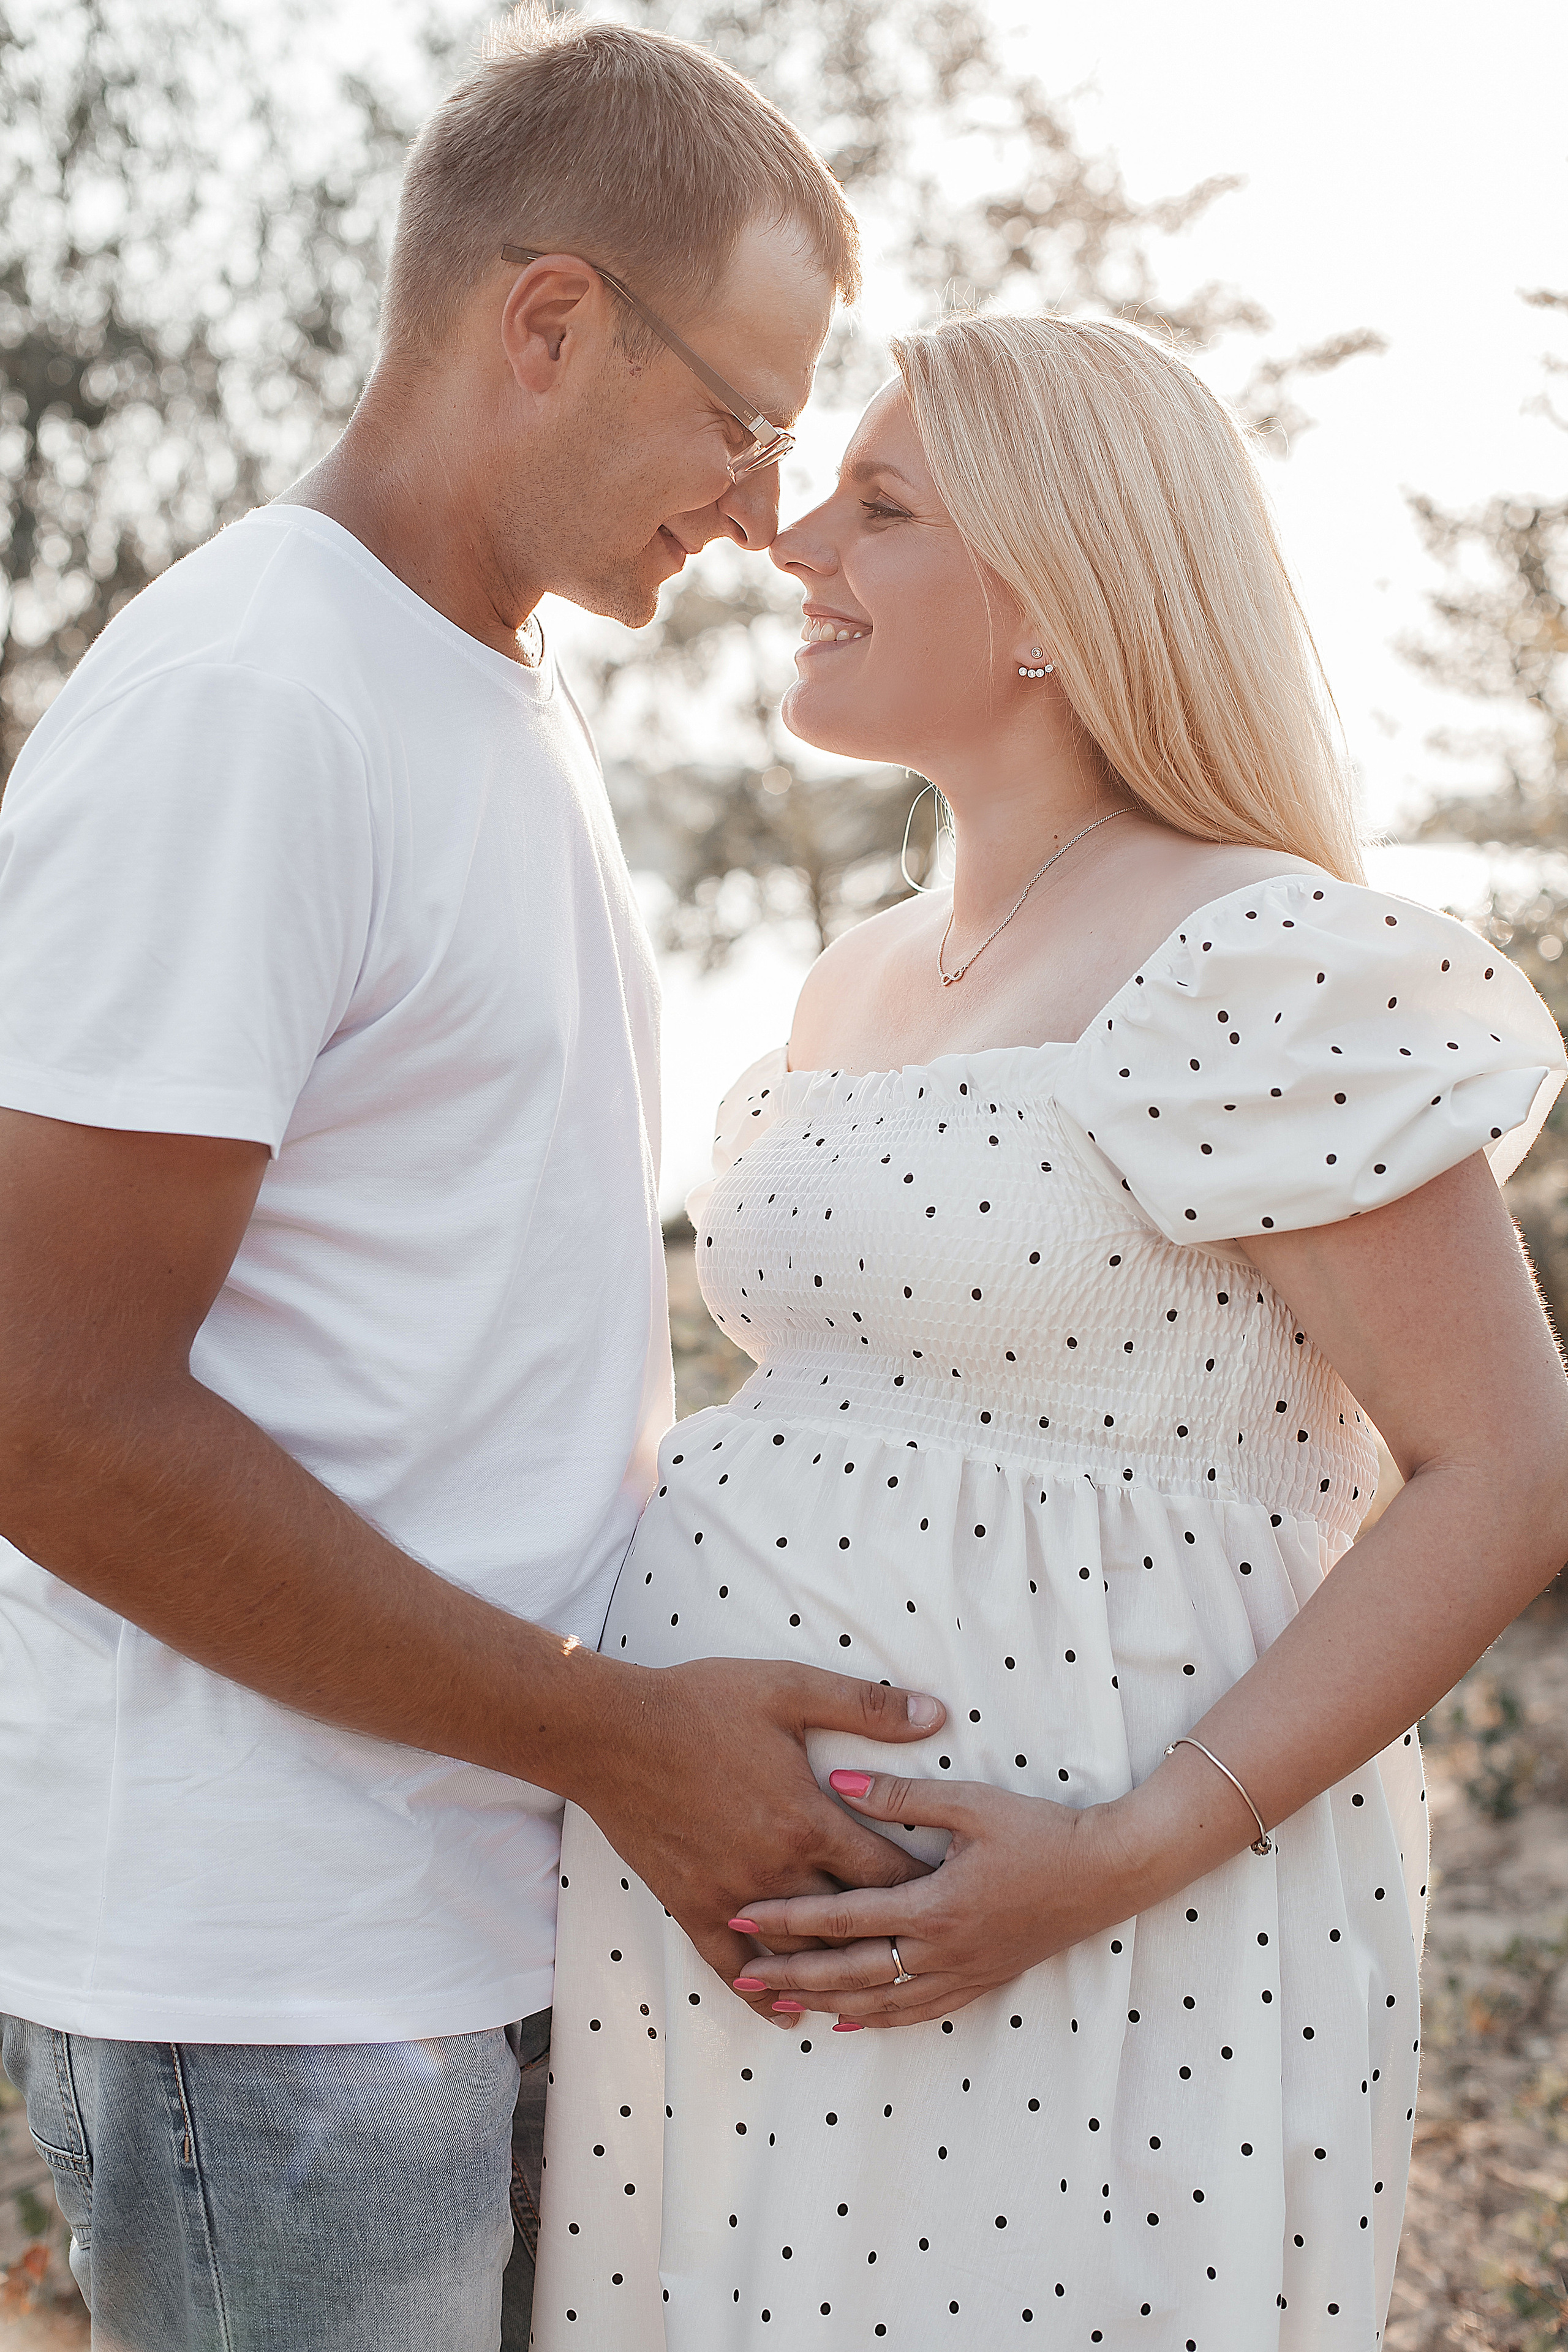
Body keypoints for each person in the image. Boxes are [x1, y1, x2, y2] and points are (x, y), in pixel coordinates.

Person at [0, 13, 952, 2348]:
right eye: (744, 417)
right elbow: (42, 1409)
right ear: (548, 320)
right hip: (278, 1990)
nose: (760, 504)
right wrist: (619, 1740)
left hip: (463, 1921)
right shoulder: (257, 700)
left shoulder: (492, 693)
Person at [534, 312, 1568, 2351]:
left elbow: (1510, 1469)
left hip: (1091, 1941)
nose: (791, 538)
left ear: (1055, 603)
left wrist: (1119, 1849)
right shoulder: (849, 988)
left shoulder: (1256, 957)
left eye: (882, 505)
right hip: (741, 1938)